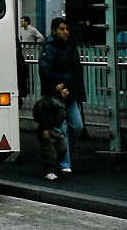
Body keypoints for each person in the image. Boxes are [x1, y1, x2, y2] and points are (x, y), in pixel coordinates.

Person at [38, 17, 85, 174]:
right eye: (62, 29)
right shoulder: (49, 46)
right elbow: (45, 70)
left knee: (77, 126)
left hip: (69, 92)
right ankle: (64, 162)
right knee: (62, 128)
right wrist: (57, 86)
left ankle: (63, 152)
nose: (66, 32)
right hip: (56, 94)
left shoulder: (71, 46)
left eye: (66, 29)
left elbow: (76, 70)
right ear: (54, 30)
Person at [32, 83, 68, 180]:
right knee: (50, 151)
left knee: (58, 149)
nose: (66, 91)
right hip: (48, 129)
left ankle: (51, 169)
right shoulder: (51, 102)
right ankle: (49, 170)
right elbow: (43, 117)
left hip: (53, 128)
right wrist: (44, 129)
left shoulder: (57, 101)